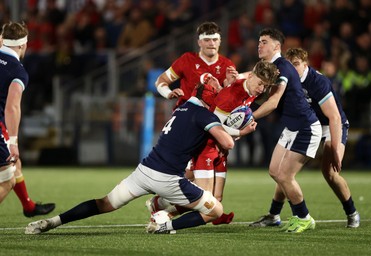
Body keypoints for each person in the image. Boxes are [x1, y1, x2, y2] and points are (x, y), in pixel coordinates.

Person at [25, 84, 257, 235]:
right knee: (215, 210)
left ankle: (51, 222)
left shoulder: (183, 108)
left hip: (144, 171)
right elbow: (226, 143)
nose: (217, 94)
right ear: (208, 96)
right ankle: (165, 224)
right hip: (167, 179)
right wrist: (242, 132)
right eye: (215, 91)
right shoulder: (203, 114)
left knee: (104, 203)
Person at [146, 60, 279, 224]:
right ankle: (165, 213)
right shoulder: (231, 95)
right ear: (252, 76)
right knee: (203, 197)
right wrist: (242, 132)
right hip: (207, 146)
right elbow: (217, 127)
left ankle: (160, 203)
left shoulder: (251, 88)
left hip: (221, 148)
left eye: (265, 86)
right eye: (260, 84)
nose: (261, 89)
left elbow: (245, 77)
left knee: (216, 197)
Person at [250, 47, 360, 228]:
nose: (293, 68)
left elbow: (334, 117)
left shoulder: (317, 81)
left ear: (305, 64)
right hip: (305, 125)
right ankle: (274, 214)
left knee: (330, 173)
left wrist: (337, 150)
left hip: (330, 125)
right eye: (290, 64)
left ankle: (352, 212)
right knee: (283, 172)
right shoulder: (287, 78)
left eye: (297, 64)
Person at [155, 21, 236, 223]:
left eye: (215, 39)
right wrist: (168, 92)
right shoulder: (187, 60)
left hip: (214, 125)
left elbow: (230, 97)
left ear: (220, 41)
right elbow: (161, 81)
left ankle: (208, 207)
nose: (211, 43)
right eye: (207, 39)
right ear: (199, 42)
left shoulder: (227, 65)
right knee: (192, 175)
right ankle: (164, 208)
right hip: (190, 125)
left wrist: (229, 85)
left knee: (203, 174)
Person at [249, 28, 322, 233]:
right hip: (292, 128)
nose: (259, 44)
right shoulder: (269, 67)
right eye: (259, 41)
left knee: (284, 176)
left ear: (277, 46)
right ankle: (274, 215)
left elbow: (273, 102)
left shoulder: (283, 66)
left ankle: (304, 216)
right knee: (275, 172)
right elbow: (252, 82)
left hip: (305, 128)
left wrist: (249, 117)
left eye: (264, 41)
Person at [0, 21, 55, 216]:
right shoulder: (17, 71)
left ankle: (29, 206)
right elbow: (12, 106)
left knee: (15, 165)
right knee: (7, 180)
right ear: (23, 45)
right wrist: (14, 141)